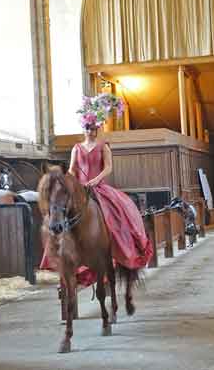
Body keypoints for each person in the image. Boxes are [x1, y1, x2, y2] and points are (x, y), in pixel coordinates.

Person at [40, 94, 153, 285]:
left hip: (99, 187)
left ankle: (119, 245)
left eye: (94, 129)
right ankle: (59, 253)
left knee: (118, 212)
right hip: (80, 187)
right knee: (60, 212)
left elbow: (108, 167)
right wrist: (71, 182)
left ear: (97, 129)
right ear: (83, 128)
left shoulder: (103, 146)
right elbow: (71, 169)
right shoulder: (77, 148)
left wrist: (95, 180)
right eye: (88, 128)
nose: (91, 132)